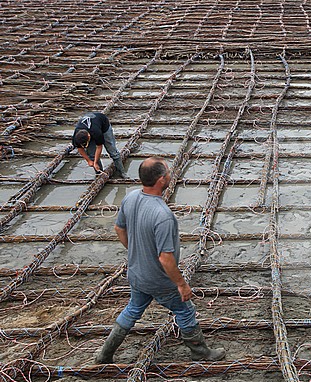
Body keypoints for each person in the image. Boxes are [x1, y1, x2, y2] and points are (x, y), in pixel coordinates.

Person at [95, 157, 225, 363]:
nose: (170, 175)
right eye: (168, 173)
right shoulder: (163, 215)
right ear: (161, 180)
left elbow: (119, 228)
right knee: (185, 310)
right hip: (158, 279)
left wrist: (136, 252)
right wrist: (181, 285)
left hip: (137, 273)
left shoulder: (130, 198)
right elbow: (165, 259)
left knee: (133, 309)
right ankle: (201, 352)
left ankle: (104, 354)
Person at [72, 112, 127, 178]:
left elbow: (99, 147)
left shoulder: (96, 132)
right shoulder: (77, 136)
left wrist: (95, 163)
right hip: (90, 128)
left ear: (89, 136)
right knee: (91, 155)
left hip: (104, 126)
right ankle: (100, 173)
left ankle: (122, 173)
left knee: (113, 152)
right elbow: (80, 148)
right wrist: (89, 161)